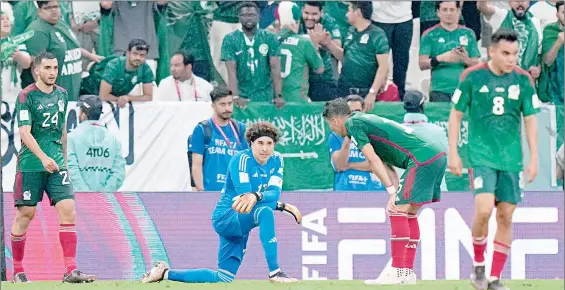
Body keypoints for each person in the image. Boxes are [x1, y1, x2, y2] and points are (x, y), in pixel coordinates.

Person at [141, 122, 303, 284]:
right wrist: (278, 205)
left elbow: (273, 194)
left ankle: (165, 273)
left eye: (269, 143)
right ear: (251, 143)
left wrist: (269, 200)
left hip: (240, 223)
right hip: (226, 217)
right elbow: (245, 199)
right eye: (260, 143)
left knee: (223, 278)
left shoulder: (277, 160)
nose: (265, 149)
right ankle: (275, 273)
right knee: (265, 213)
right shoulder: (241, 160)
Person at [448, 30, 540, 290]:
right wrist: (453, 152)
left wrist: (534, 158)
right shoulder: (472, 76)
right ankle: (479, 264)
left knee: (506, 217)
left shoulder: (523, 80)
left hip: (512, 160)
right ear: (492, 52)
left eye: (515, 54)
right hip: (481, 156)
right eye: (506, 54)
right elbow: (455, 115)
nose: (512, 59)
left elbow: (531, 119)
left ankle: (495, 278)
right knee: (485, 209)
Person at [323, 98, 447, 285]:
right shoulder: (360, 119)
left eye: (329, 125)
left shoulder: (353, 124)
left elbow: (373, 160)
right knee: (409, 213)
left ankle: (396, 271)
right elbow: (383, 158)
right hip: (435, 156)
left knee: (396, 209)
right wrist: (394, 188)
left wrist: (391, 190)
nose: (332, 129)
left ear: (335, 121)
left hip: (421, 159)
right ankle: (407, 273)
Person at [12, 52, 95, 283]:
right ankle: (18, 270)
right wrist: (43, 157)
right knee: (25, 214)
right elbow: (25, 133)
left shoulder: (62, 94)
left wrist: (64, 162)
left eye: (55, 68)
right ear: (36, 70)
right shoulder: (26, 96)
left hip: (57, 164)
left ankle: (71, 270)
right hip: (31, 164)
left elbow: (62, 131)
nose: (52, 72)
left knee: (68, 210)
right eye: (47, 68)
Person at [21, 0, 102, 101]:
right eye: (48, 8)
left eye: (56, 6)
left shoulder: (61, 24)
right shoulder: (38, 30)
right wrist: (47, 95)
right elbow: (35, 67)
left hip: (72, 90)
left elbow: (71, 48)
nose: (54, 10)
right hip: (54, 96)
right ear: (39, 11)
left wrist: (91, 56)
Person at [221, 2, 283, 108]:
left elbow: (275, 68)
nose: (248, 18)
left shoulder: (269, 37)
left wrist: (278, 96)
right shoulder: (230, 39)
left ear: (259, 16)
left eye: (252, 15)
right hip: (242, 97)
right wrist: (235, 96)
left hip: (266, 97)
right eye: (244, 15)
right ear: (239, 17)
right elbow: (231, 72)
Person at [330, 2, 389, 112]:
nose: (346, 14)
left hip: (364, 91)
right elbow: (345, 57)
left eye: (349, 10)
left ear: (357, 12)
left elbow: (383, 67)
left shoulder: (378, 34)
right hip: (344, 89)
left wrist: (372, 93)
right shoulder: (350, 31)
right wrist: (327, 43)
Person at [419, 0, 481, 102]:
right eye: (444, 10)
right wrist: (441, 58)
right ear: (438, 12)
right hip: (439, 91)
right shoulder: (429, 34)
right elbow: (422, 64)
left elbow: (476, 64)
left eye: (452, 10)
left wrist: (465, 59)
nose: (448, 13)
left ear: (458, 11)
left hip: (463, 89)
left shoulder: (469, 33)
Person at [188, 87, 248, 191]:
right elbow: (196, 165)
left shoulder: (240, 128)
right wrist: (201, 192)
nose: (227, 108)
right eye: (222, 104)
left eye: (230, 103)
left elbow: (246, 162)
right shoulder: (202, 129)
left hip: (234, 193)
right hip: (210, 192)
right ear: (213, 106)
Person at [67, 95, 126, 192]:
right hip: (105, 200)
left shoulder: (71, 138)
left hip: (79, 199)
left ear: (83, 115)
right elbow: (118, 173)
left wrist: (85, 193)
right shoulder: (113, 140)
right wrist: (104, 194)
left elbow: (71, 170)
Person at [328, 95, 383, 191]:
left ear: (363, 111)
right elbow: (340, 165)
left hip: (371, 190)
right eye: (350, 112)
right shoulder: (335, 136)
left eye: (357, 111)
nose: (354, 115)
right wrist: (347, 139)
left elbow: (377, 165)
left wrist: (349, 165)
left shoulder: (375, 134)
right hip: (344, 190)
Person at [477, 0, 542, 78]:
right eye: (516, 1)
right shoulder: (501, 15)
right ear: (509, 2)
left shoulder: (536, 22)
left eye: (523, 1)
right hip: (499, 78)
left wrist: (538, 68)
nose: (520, 4)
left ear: (528, 2)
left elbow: (539, 53)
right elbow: (483, 7)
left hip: (525, 81)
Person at [276, 2, 324, 102]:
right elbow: (319, 69)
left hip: (275, 99)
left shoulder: (270, 41)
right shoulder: (304, 42)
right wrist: (315, 46)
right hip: (297, 99)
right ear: (297, 21)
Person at [403, 90, 448, 192]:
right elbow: (446, 162)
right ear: (423, 106)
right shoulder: (438, 132)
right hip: (435, 192)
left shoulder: (394, 132)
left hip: (404, 194)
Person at [299, 1, 342, 101]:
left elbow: (338, 45)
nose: (309, 17)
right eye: (306, 13)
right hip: (300, 78)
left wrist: (324, 42)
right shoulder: (296, 21)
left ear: (321, 12)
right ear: (302, 10)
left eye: (314, 14)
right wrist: (312, 43)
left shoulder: (328, 22)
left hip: (324, 78)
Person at [99, 39, 155, 108]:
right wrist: (121, 99)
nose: (138, 58)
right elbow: (103, 96)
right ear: (128, 53)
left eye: (142, 55)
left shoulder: (145, 68)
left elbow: (148, 97)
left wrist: (127, 98)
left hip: (114, 97)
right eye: (135, 54)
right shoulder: (114, 65)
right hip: (91, 92)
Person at [1, 2, 32, 103]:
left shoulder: (17, 42)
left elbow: (27, 63)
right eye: (1, 19)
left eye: (7, 18)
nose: (6, 21)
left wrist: (17, 54)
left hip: (13, 99)